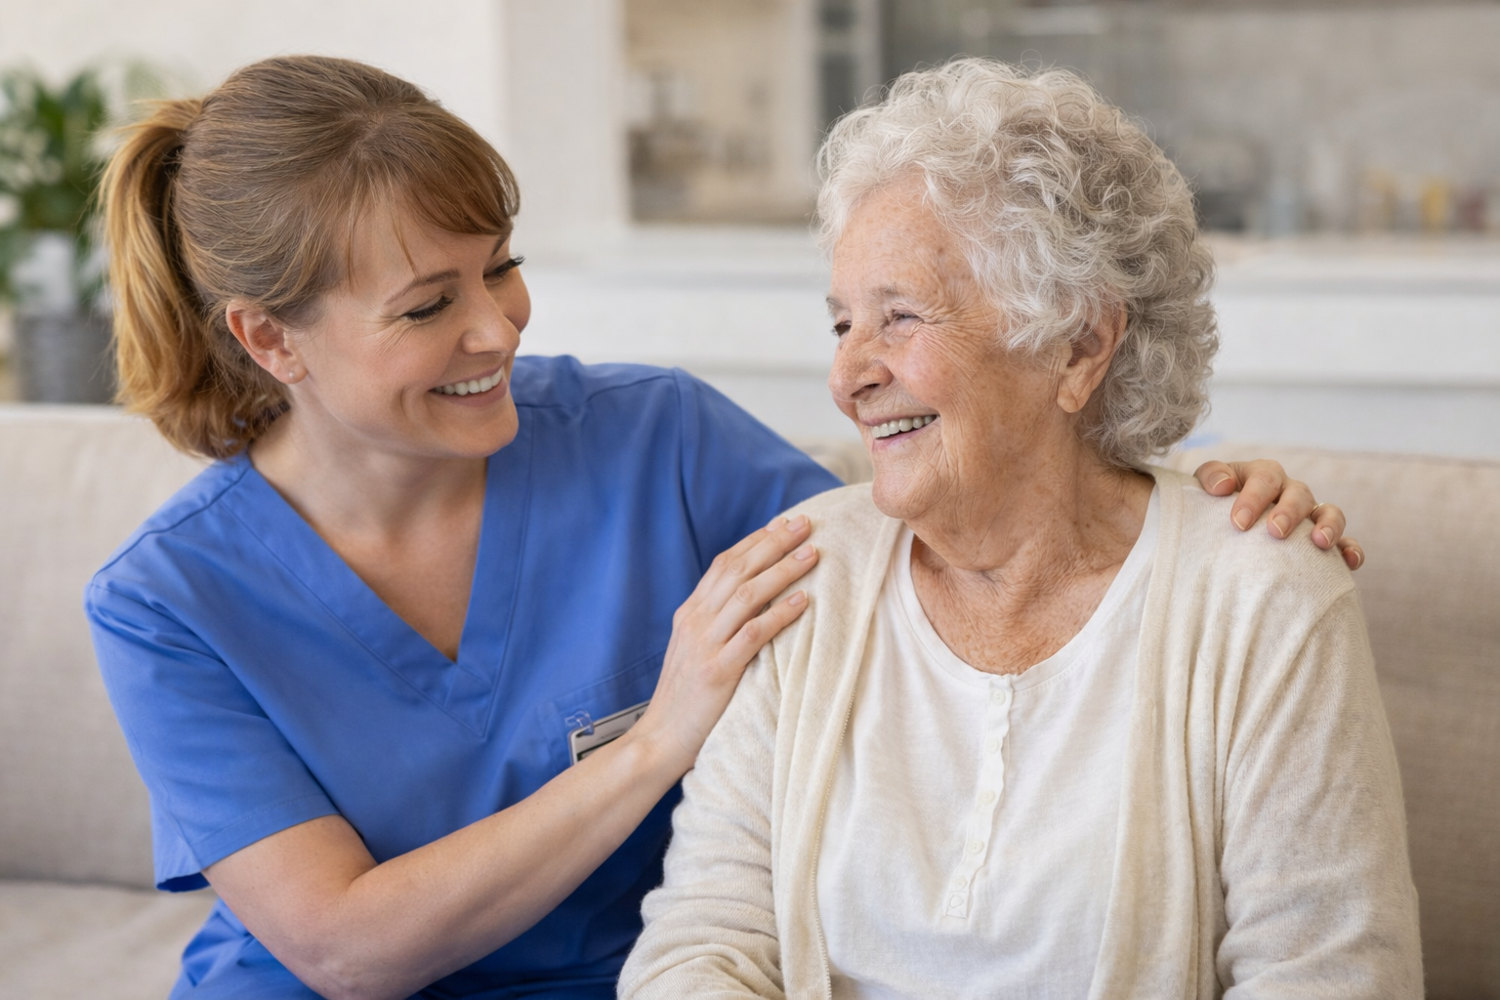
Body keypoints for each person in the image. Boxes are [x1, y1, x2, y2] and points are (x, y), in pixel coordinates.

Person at [86, 55, 1357, 1000]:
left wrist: (1186, 495)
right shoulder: (167, 599)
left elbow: (962, 518)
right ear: (269, 338)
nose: (501, 326)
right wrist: (656, 740)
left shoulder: (654, 441)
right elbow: (342, 945)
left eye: (502, 265)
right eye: (429, 305)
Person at [620, 59, 1420, 999]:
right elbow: (696, 951)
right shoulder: (804, 575)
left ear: (1079, 344)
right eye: (842, 323)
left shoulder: (1261, 597)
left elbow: (1327, 978)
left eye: (900, 318)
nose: (848, 377)